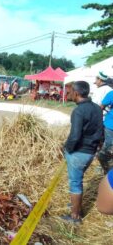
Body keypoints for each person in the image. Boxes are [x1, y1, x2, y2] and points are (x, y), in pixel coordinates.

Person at [62, 81, 103, 224]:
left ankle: (75, 217)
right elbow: (100, 131)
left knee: (75, 184)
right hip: (90, 152)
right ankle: (76, 205)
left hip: (79, 153)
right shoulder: (97, 108)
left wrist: (67, 149)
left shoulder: (79, 111)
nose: (68, 94)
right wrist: (98, 147)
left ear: (77, 93)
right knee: (78, 181)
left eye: (70, 91)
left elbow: (74, 136)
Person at [98, 89, 113, 174]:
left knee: (106, 148)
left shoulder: (111, 93)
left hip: (110, 125)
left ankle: (105, 170)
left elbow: (101, 106)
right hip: (110, 125)